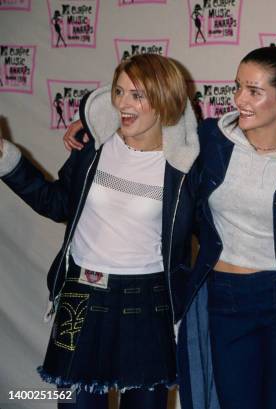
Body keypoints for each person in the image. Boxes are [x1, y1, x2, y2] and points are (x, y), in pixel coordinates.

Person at [62, 42, 276, 409]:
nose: (239, 99)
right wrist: (92, 122)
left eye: (254, 91)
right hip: (223, 295)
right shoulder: (209, 139)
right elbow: (153, 112)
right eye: (237, 86)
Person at [0, 54, 200, 409]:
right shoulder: (94, 149)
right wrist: (5, 157)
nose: (123, 103)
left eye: (137, 95)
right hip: (80, 295)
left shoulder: (185, 168)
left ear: (165, 98)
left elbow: (216, 227)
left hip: (150, 304)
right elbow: (57, 202)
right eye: (119, 92)